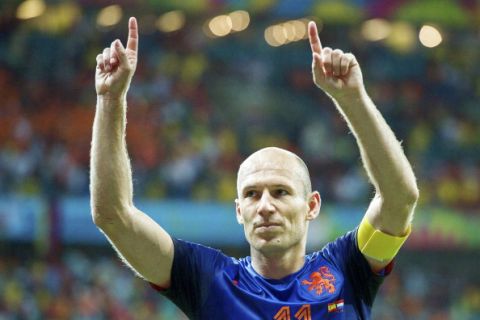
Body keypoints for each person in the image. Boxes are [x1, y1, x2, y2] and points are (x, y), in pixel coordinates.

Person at [91, 17, 419, 319]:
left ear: (311, 206)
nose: (265, 207)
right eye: (251, 195)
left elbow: (399, 198)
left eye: (280, 192)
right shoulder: (207, 279)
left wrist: (353, 100)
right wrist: (110, 100)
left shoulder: (349, 268)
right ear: (238, 210)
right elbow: (113, 215)